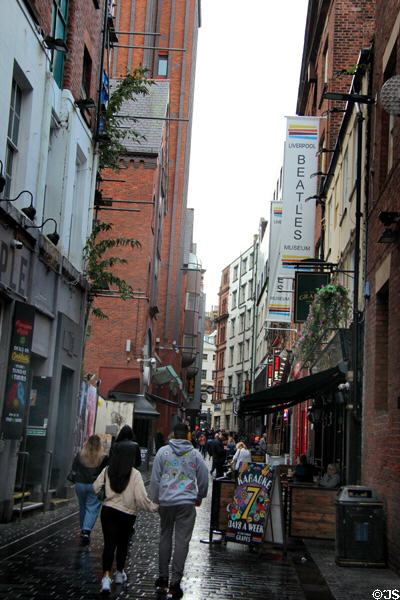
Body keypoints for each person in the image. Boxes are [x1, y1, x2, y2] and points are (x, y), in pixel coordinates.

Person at [149, 422, 208, 599]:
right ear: (188, 435)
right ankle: (175, 582)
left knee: (165, 536)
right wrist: (200, 495)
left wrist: (156, 499)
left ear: (173, 434)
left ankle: (162, 577)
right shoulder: (195, 455)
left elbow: (155, 479)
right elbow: (203, 477)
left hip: (166, 501)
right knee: (182, 541)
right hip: (186, 503)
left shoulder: (162, 452)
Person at [93, 442, 158, 594]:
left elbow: (95, 487)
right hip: (127, 514)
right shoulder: (134, 474)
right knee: (123, 544)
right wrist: (155, 507)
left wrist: (105, 496)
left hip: (108, 511)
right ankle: (120, 573)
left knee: (109, 544)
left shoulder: (108, 470)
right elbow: (141, 498)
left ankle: (106, 577)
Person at [71, 435, 108, 544]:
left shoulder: (80, 455)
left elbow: (74, 469)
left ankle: (83, 527)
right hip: (94, 485)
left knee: (82, 507)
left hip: (80, 484)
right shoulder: (103, 457)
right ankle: (86, 530)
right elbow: (106, 472)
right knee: (92, 507)